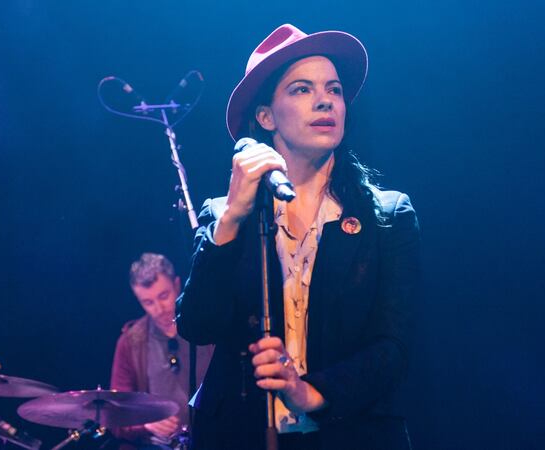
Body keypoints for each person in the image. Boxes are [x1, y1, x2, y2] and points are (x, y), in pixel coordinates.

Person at [176, 24, 421, 449]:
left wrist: (307, 391)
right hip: (239, 434)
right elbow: (198, 325)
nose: (326, 100)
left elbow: (393, 347)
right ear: (266, 116)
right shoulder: (223, 214)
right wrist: (233, 217)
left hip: (348, 434)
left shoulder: (387, 214)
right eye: (301, 89)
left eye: (335, 89)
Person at [110, 253, 214, 450]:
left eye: (163, 296)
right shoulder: (131, 342)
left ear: (177, 285)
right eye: (148, 302)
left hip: (213, 438)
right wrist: (146, 425)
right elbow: (116, 417)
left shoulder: (205, 326)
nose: (159, 309)